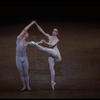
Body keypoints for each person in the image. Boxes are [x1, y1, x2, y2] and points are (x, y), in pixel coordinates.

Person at [31, 21, 62, 90]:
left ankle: (35, 44)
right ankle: (52, 82)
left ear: (57, 33)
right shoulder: (49, 36)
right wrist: (36, 24)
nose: (54, 32)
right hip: (51, 54)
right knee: (51, 68)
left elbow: (52, 45)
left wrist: (45, 42)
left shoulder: (57, 39)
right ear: (52, 32)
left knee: (46, 49)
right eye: (53, 31)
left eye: (56, 31)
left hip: (55, 53)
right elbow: (41, 30)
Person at [16, 20, 35, 91]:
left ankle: (28, 86)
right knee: (21, 72)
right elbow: (25, 29)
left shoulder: (27, 43)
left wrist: (40, 42)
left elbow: (33, 43)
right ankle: (24, 86)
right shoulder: (18, 39)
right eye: (27, 34)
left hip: (24, 58)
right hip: (18, 58)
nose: (28, 35)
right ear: (24, 34)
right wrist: (31, 23)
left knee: (26, 72)